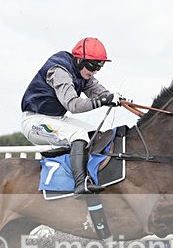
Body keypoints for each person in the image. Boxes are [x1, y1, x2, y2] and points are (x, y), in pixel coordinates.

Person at [20, 37, 120, 197]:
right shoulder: (59, 71)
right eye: (93, 65)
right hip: (34, 121)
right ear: (79, 60)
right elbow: (73, 105)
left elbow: (99, 92)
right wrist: (102, 101)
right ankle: (80, 184)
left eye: (99, 67)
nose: (95, 71)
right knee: (78, 135)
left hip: (56, 119)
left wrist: (116, 98)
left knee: (96, 135)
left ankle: (92, 175)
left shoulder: (83, 73)